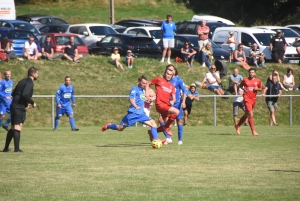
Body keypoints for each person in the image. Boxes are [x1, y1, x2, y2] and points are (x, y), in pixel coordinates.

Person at [102, 76, 160, 142]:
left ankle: (156, 140)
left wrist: (149, 100)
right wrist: (135, 106)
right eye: (143, 83)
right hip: (133, 114)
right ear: (139, 82)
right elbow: (131, 98)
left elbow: (143, 99)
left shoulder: (142, 91)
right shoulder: (135, 89)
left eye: (146, 83)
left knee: (153, 124)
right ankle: (109, 126)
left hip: (140, 114)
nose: (145, 85)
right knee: (120, 128)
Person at [2, 67, 38, 152]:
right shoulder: (30, 83)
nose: (37, 75)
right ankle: (17, 149)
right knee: (18, 127)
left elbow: (13, 93)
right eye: (37, 73)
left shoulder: (22, 81)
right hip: (18, 107)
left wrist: (25, 104)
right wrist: (32, 103)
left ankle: (6, 148)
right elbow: (25, 95)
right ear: (33, 74)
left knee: (13, 128)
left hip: (14, 105)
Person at [147, 66, 179, 138]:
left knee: (168, 125)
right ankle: (166, 127)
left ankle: (152, 132)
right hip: (160, 104)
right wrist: (147, 93)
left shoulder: (171, 86)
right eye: (167, 74)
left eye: (170, 75)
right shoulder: (159, 80)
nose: (168, 76)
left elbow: (174, 98)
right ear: (165, 73)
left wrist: (173, 101)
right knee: (177, 112)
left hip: (167, 105)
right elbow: (148, 83)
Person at [160, 65, 187, 145]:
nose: (170, 71)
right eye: (168, 70)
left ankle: (180, 140)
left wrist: (183, 101)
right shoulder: (164, 80)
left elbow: (185, 91)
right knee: (161, 119)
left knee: (179, 121)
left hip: (177, 104)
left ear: (174, 71)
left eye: (172, 70)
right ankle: (168, 138)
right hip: (166, 104)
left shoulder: (178, 80)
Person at [235, 68, 262, 136]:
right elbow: (240, 85)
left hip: (253, 99)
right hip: (247, 99)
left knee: (246, 115)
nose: (251, 73)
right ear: (248, 73)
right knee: (250, 114)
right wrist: (244, 89)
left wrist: (257, 89)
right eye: (250, 72)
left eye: (252, 72)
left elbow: (261, 88)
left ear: (255, 73)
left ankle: (237, 126)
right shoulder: (245, 80)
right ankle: (253, 131)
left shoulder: (258, 80)